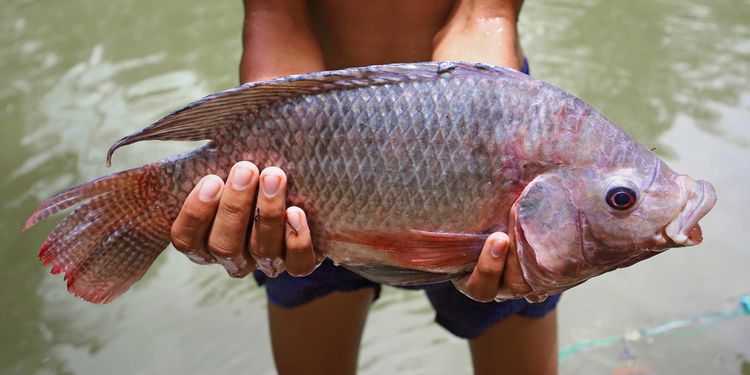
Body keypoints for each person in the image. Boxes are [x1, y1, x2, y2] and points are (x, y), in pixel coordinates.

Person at [169, 1, 559, 374]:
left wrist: (471, 134)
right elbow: (277, 15)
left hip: (473, 133)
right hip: (312, 143)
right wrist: (277, 142)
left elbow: (485, 12)